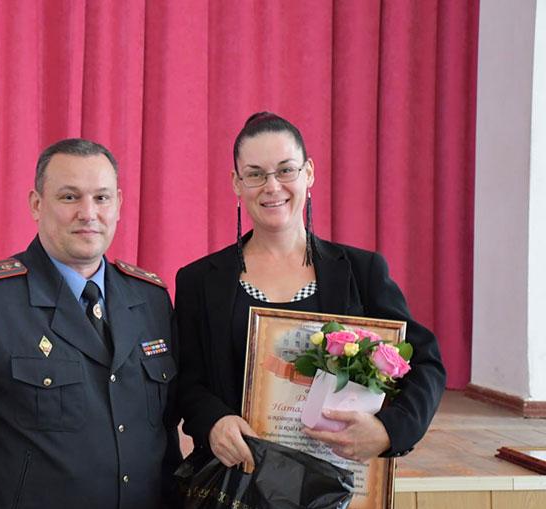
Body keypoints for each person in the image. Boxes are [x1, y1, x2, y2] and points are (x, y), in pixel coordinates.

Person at [0, 138, 180, 509]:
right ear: (36, 204)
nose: (88, 213)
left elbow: (163, 439)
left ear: (118, 204)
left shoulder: (150, 300)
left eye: (101, 198)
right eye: (69, 197)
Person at [175, 112, 446, 469]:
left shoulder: (362, 271)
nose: (272, 186)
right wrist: (213, 421)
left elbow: (426, 363)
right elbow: (185, 380)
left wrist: (388, 431)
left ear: (309, 173)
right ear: (236, 183)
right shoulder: (199, 281)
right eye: (255, 174)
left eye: (286, 170)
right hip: (235, 479)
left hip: (336, 483)